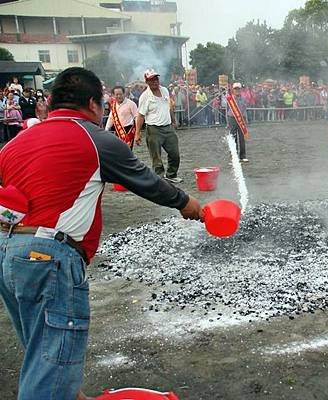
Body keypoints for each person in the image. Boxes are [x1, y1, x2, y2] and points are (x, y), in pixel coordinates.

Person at [0, 67, 203, 400]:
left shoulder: (16, 142)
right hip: (48, 255)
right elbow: (146, 180)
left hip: (7, 252)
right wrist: (188, 204)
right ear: (95, 104)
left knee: (44, 353)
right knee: (50, 367)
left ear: (51, 102)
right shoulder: (94, 139)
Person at [135, 69, 183, 183]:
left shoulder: (165, 90)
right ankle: (160, 179)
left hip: (168, 127)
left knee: (175, 154)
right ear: (147, 81)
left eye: (156, 79)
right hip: (153, 129)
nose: (155, 81)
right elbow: (140, 115)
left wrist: (173, 120)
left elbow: (169, 107)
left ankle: (171, 174)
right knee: (156, 158)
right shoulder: (145, 96)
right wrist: (137, 133)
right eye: (151, 80)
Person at [105, 85, 138, 150]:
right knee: (119, 149)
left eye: (120, 94)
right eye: (116, 94)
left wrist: (137, 131)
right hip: (118, 130)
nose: (119, 96)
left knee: (128, 149)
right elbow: (111, 118)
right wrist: (107, 128)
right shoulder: (114, 105)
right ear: (113, 95)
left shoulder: (131, 104)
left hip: (129, 130)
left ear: (124, 94)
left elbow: (136, 116)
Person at [226, 82, 249, 162]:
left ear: (241, 89)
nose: (237, 90)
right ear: (233, 90)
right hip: (232, 118)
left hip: (241, 119)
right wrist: (227, 122)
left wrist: (246, 120)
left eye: (238, 89)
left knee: (242, 138)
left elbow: (244, 110)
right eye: (235, 89)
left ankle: (243, 156)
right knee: (233, 137)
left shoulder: (243, 99)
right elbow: (227, 110)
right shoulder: (230, 99)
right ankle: (234, 156)